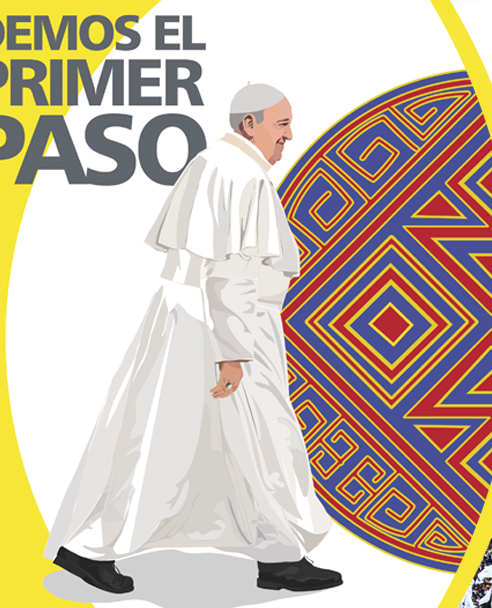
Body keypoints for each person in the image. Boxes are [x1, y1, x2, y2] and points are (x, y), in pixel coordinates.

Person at [43, 84, 342, 594]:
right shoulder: (242, 174)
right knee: (242, 441)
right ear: (249, 124)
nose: (290, 135)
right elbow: (230, 271)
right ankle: (91, 548)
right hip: (225, 328)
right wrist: (233, 354)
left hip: (198, 320)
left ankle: (277, 555)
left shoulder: (214, 164)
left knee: (214, 442)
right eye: (281, 124)